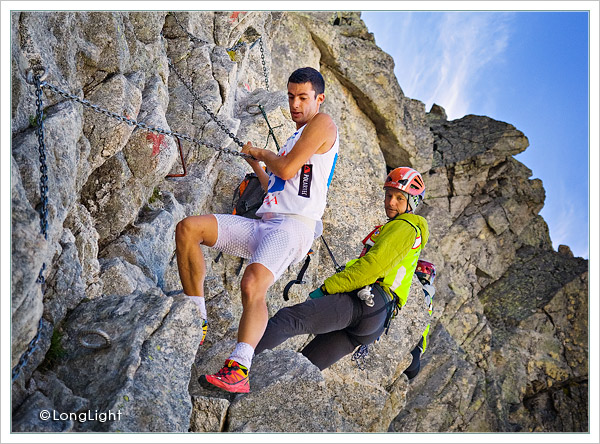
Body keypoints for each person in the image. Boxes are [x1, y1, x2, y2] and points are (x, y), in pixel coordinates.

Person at [175, 67, 339, 394]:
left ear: (319, 99)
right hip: (267, 222)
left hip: (294, 227)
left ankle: (239, 367)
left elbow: (289, 167)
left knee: (253, 282)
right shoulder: (298, 137)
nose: (294, 104)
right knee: (189, 228)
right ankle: (197, 318)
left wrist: (264, 153)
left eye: (302, 98)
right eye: (291, 96)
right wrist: (256, 165)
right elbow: (277, 185)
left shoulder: (323, 124)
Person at [255, 167, 429, 371]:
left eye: (400, 198)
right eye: (389, 195)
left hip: (367, 302)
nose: (391, 202)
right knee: (304, 367)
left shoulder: (405, 226)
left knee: (288, 319)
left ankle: (236, 365)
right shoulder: (409, 230)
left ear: (412, 203)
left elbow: (373, 267)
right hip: (376, 319)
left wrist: (328, 288)